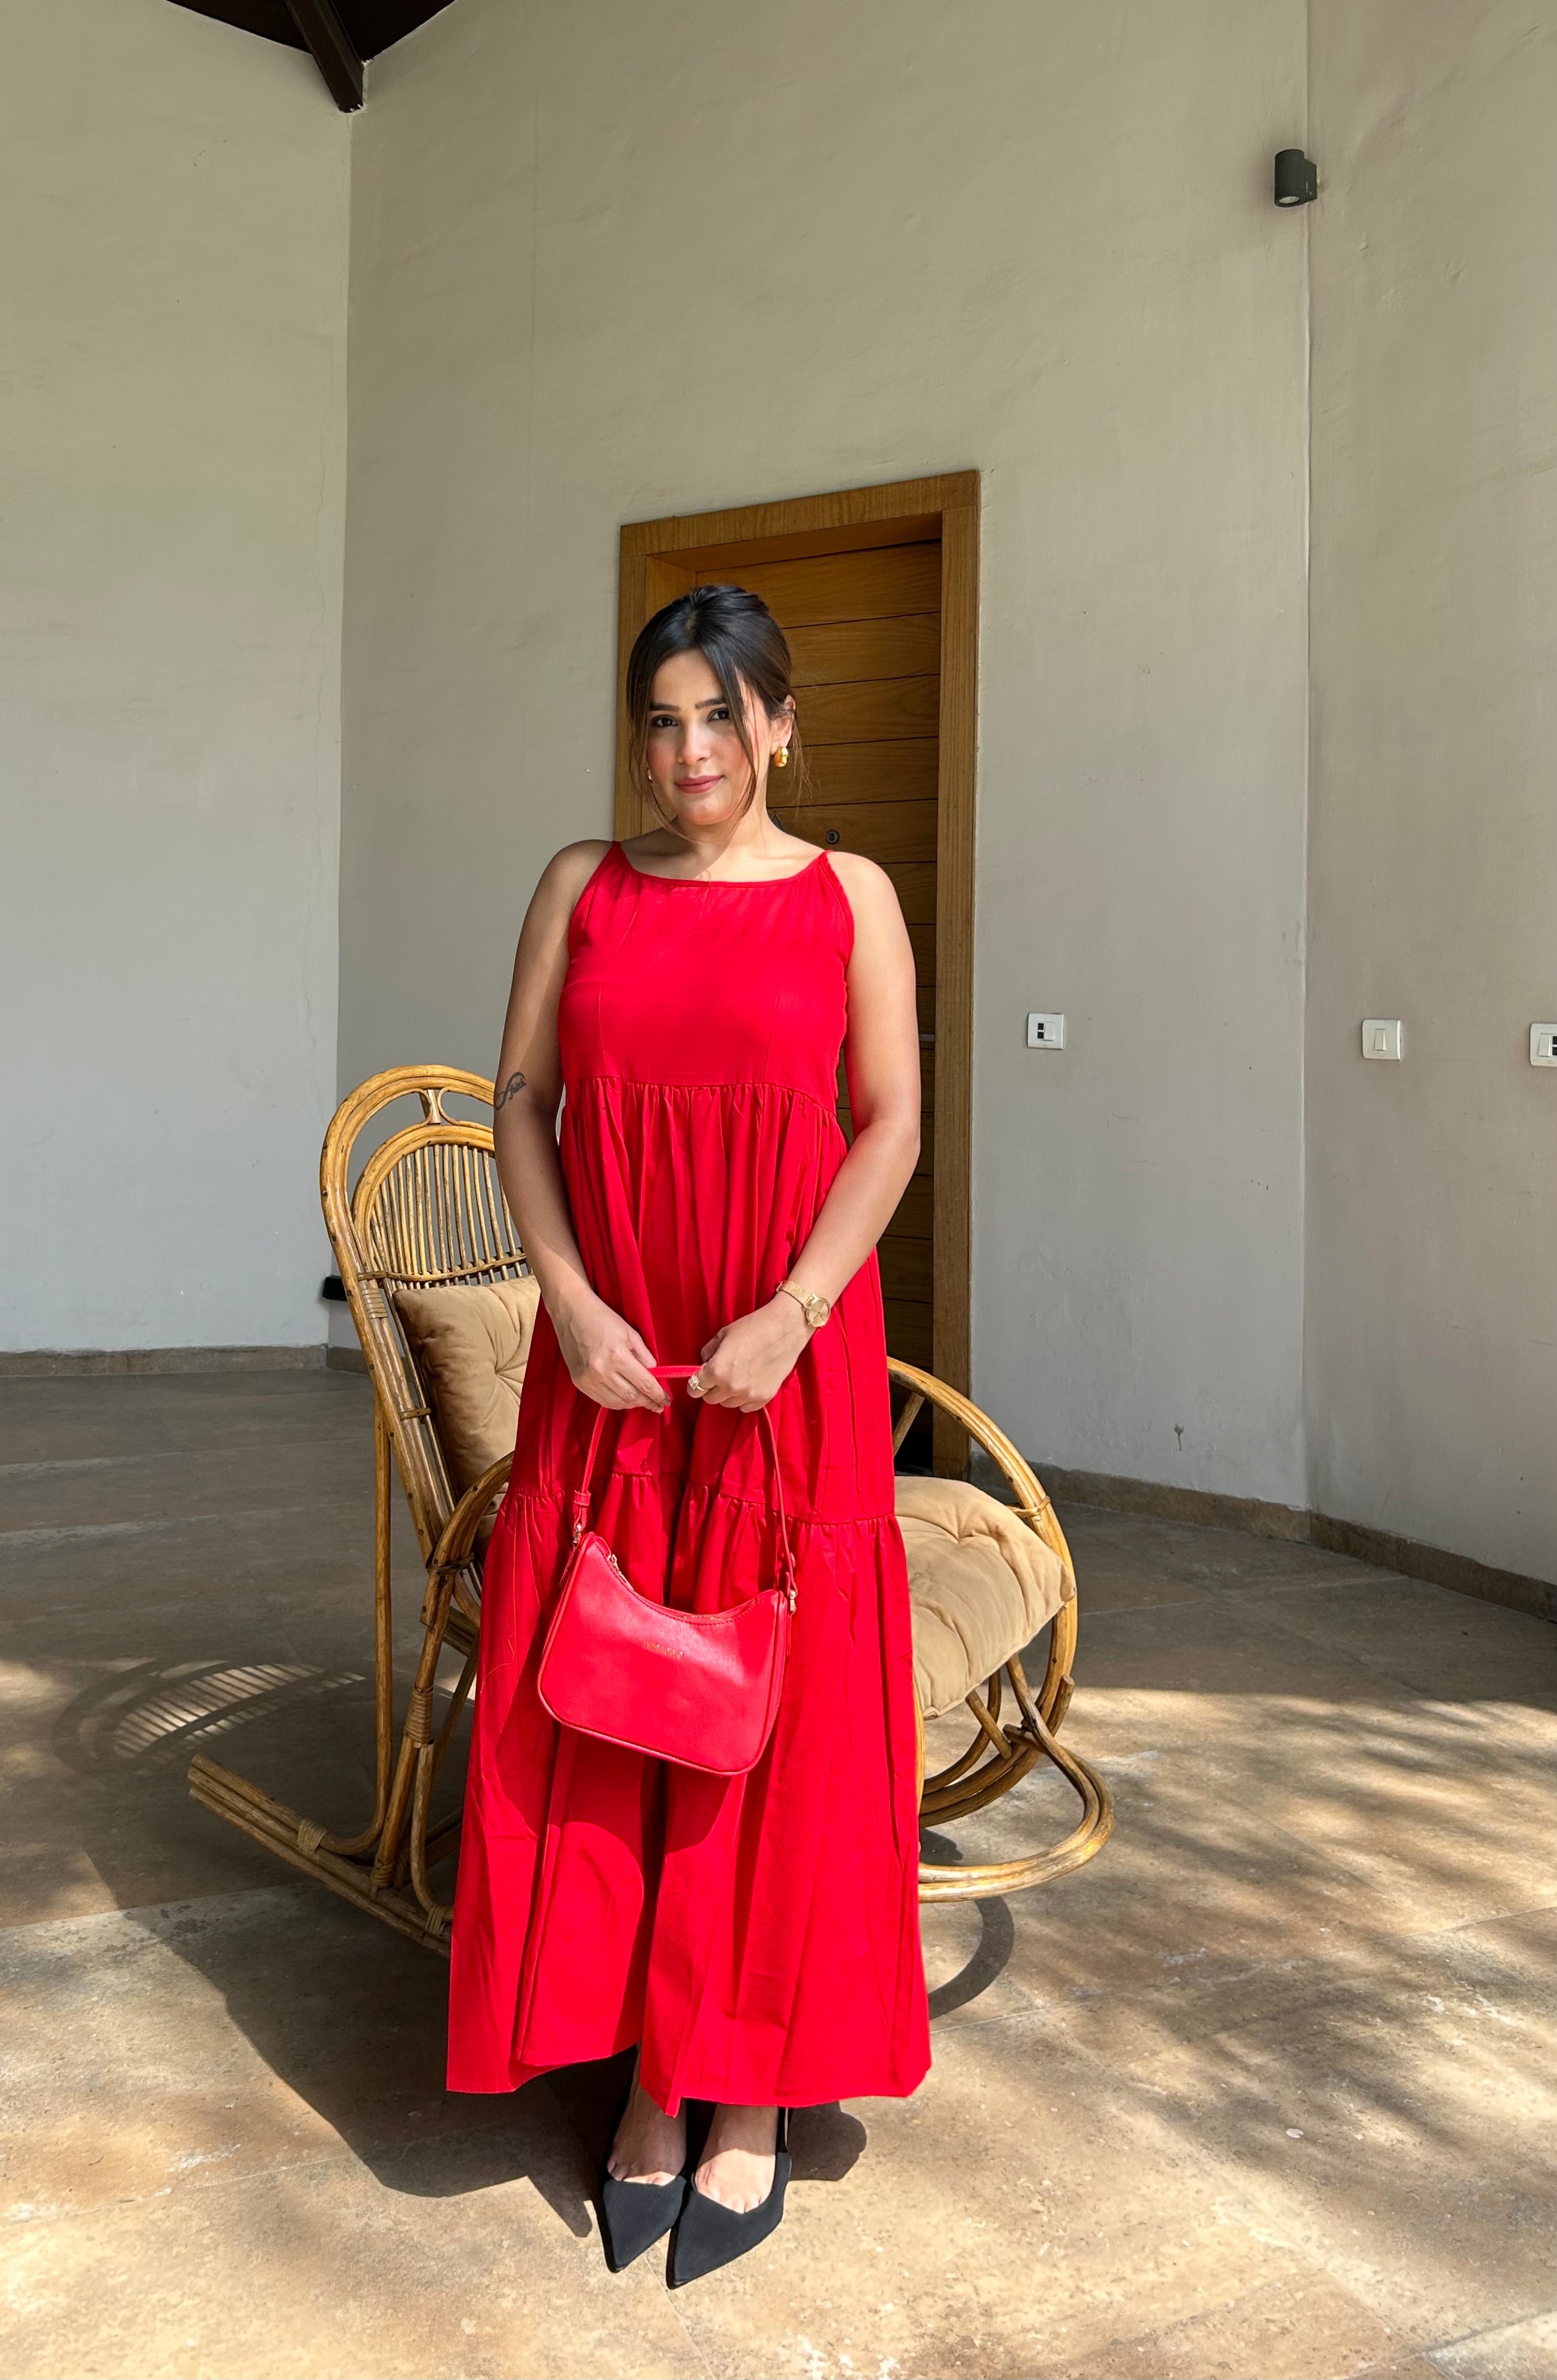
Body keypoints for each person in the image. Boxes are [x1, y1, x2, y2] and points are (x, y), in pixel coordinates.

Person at [447, 582, 930, 2283]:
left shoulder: (846, 896)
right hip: (615, 1352)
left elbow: (890, 1121)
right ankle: (651, 2068)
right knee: (618, 1689)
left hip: (781, 1351)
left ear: (781, 724)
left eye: (719, 718)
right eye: (659, 720)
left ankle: (744, 2087)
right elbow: (514, 1100)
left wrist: (795, 1309)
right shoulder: (579, 887)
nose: (687, 752)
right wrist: (565, 1301)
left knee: (772, 1710)